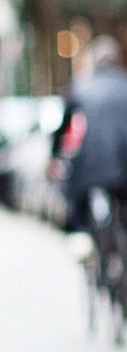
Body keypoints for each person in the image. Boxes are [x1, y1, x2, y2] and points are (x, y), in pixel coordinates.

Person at [50, 34, 127, 236]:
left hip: (92, 165)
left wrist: (54, 155)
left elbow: (63, 126)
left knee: (78, 210)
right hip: (123, 164)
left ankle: (83, 239)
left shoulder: (82, 86)